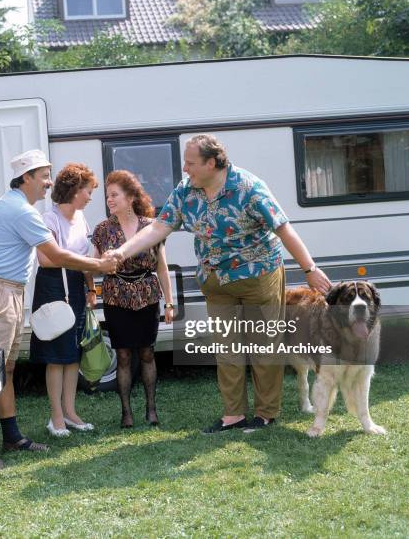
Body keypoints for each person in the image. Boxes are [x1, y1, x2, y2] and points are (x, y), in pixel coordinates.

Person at [103, 135, 331, 433]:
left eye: (190, 163)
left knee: (264, 346)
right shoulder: (186, 191)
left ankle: (265, 414)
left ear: (212, 163)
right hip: (216, 280)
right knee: (227, 348)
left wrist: (309, 268)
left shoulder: (248, 187)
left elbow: (283, 228)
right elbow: (159, 227)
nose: (184, 169)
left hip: (258, 275)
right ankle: (233, 415)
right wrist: (121, 251)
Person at [0, 150, 117, 470]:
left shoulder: (13, 204)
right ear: (26, 178)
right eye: (44, 176)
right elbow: (56, 256)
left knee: (4, 370)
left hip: (4, 291)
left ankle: (12, 436)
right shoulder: (22, 211)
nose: (49, 182)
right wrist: (98, 265)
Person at [91, 170, 174, 428]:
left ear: (130, 198)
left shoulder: (151, 227)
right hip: (116, 297)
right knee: (123, 355)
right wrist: (98, 270)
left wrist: (170, 303)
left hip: (147, 294)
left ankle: (151, 409)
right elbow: (92, 266)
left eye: (114, 195)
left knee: (147, 353)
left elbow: (162, 267)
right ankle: (126, 412)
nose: (109, 200)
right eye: (107, 196)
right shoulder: (103, 229)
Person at [30, 163, 99, 437]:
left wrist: (92, 289)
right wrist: (79, 265)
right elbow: (46, 259)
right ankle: (55, 417)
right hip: (53, 286)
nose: (91, 196)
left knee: (73, 354)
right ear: (74, 190)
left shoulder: (81, 219)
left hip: (76, 285)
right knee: (56, 356)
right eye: (88, 190)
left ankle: (70, 413)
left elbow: (87, 262)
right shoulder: (49, 219)